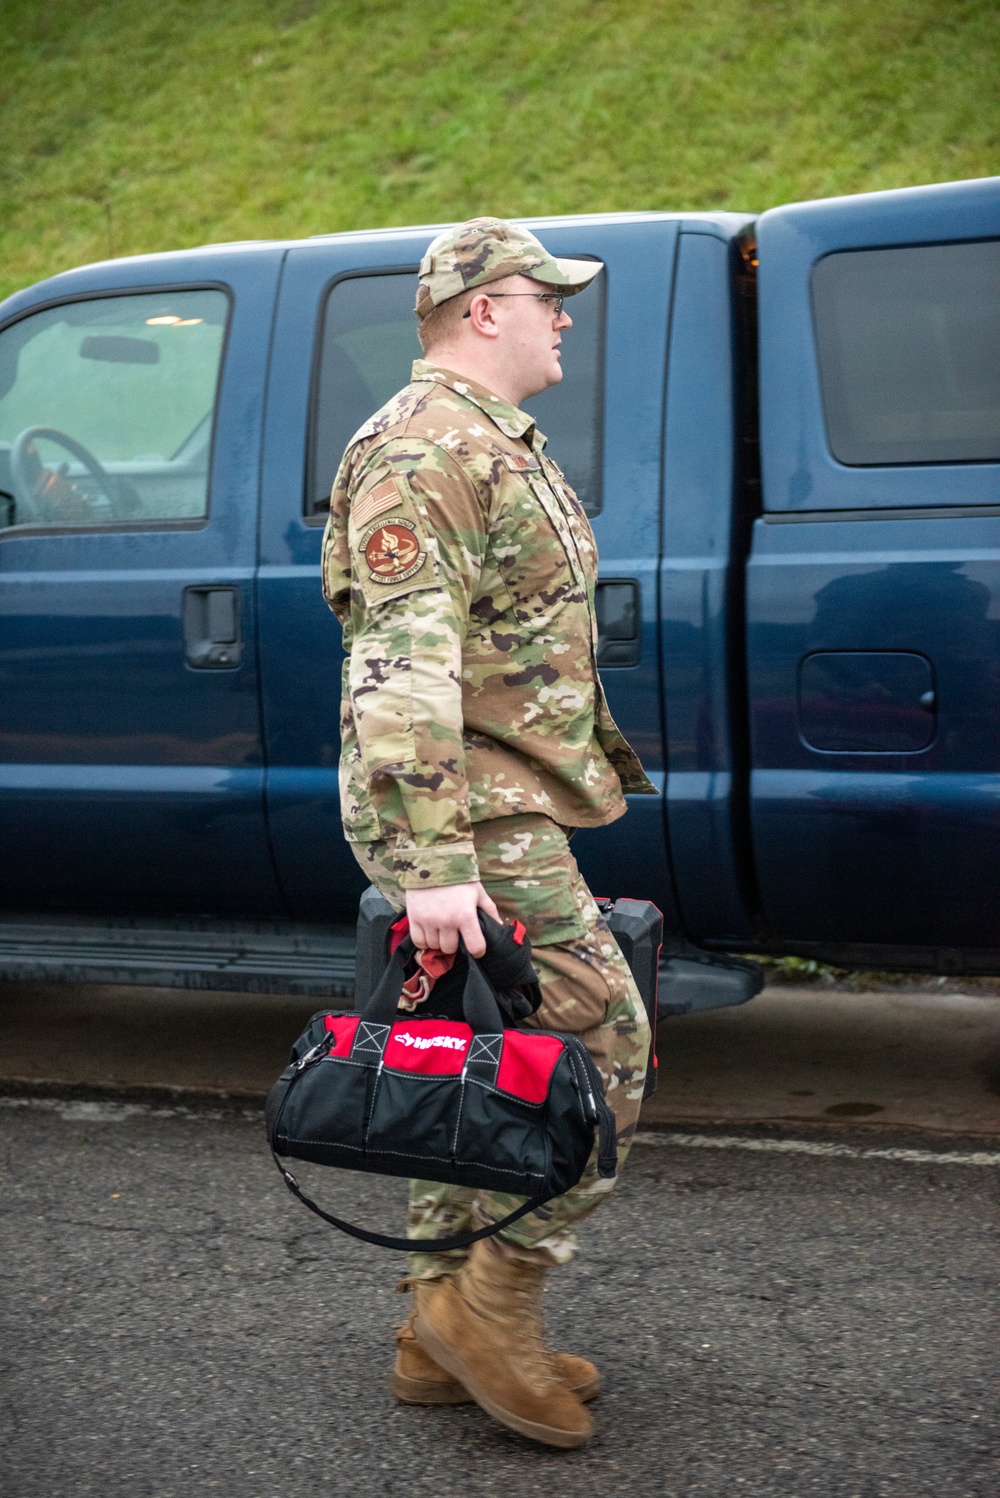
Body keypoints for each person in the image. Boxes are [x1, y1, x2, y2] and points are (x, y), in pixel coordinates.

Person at [321, 217, 655, 1448]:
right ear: (478, 311)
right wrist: (435, 869)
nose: (563, 313)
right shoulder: (425, 451)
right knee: (606, 1045)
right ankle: (492, 1305)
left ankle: (431, 1325)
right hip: (466, 809)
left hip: (491, 799)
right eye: (542, 295)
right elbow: (399, 669)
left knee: (472, 1061)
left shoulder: (485, 441)